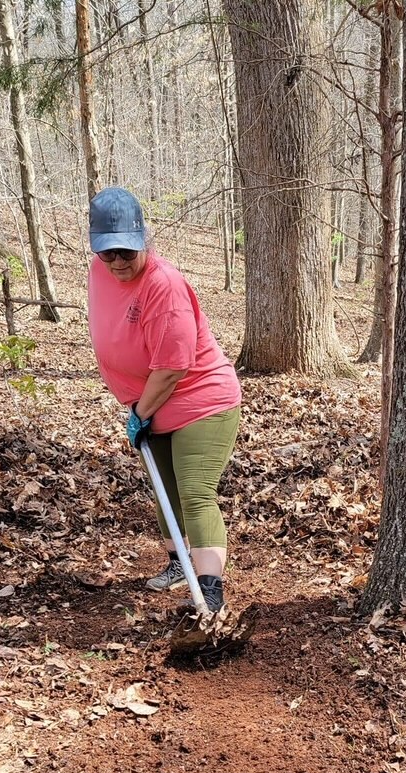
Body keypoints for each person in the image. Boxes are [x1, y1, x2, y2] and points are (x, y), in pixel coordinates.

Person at [87, 186, 242, 615]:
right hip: (150, 403)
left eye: (125, 251)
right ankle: (180, 564)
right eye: (107, 253)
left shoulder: (164, 286)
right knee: (164, 490)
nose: (117, 261)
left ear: (143, 240)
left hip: (200, 401)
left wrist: (140, 412)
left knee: (195, 493)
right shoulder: (99, 271)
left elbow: (173, 366)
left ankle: (209, 593)